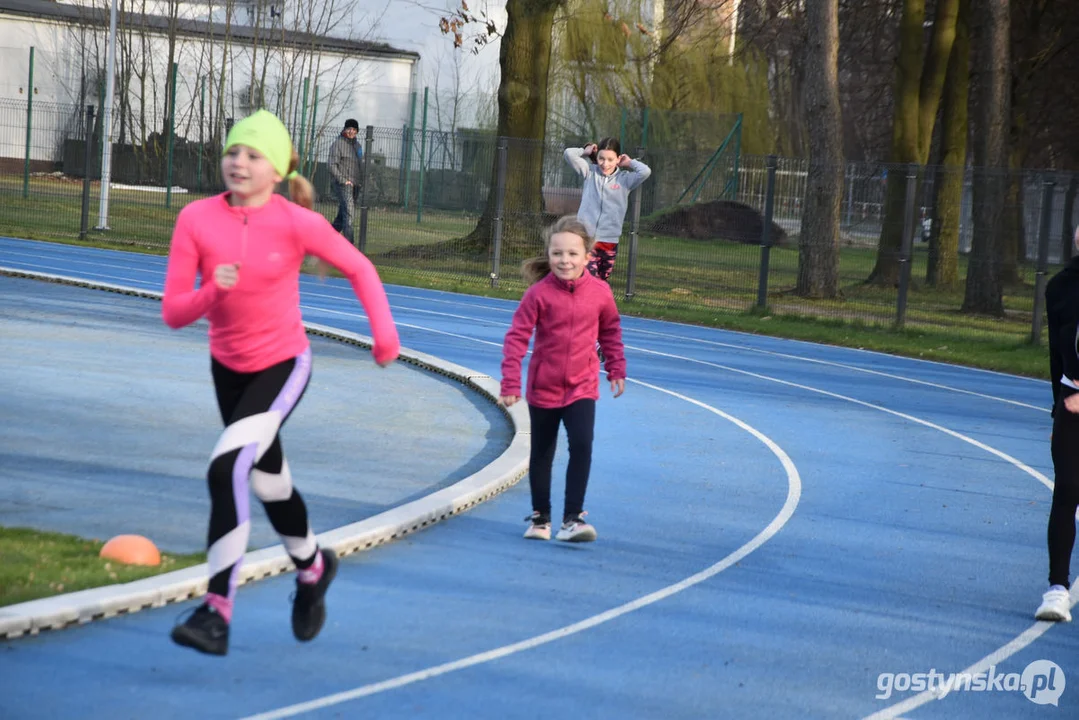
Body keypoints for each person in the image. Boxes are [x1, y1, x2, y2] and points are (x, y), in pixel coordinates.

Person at [161, 109, 400, 655]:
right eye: (232, 152)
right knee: (269, 484)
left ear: (276, 171)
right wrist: (211, 294)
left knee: (227, 469)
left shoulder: (296, 221)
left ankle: (216, 611)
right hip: (228, 369)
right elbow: (174, 311)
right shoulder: (196, 219)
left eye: (253, 155)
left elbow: (361, 269)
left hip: (283, 364)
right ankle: (314, 568)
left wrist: (384, 337)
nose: (238, 163)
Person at [500, 216, 627, 543]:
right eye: (557, 254)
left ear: (588, 257)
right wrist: (510, 382)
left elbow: (610, 332)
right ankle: (540, 517)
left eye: (572, 254)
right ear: (549, 255)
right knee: (542, 452)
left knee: (582, 445)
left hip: (582, 385)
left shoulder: (600, 293)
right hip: (544, 386)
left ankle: (573, 518)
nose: (564, 260)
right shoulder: (538, 295)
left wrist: (616, 368)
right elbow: (516, 338)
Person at [1036, 225, 1079, 623]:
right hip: (1071, 404)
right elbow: (1058, 355)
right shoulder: (1061, 288)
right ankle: (1057, 589)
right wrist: (1057, 405)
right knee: (1067, 488)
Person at [563, 137, 651, 283]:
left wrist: (630, 162)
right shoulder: (589, 173)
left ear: (618, 159)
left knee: (600, 284)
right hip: (587, 240)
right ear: (597, 158)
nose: (605, 164)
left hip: (610, 242)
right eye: (601, 158)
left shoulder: (625, 180)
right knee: (587, 280)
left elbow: (645, 171)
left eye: (610, 159)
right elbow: (568, 154)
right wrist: (585, 151)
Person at [328, 118, 364, 244]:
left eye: (354, 129)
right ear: (344, 129)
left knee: (342, 217)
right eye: (349, 129)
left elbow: (360, 165)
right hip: (343, 185)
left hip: (355, 186)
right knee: (349, 215)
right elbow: (332, 165)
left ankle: (324, 241)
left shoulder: (358, 146)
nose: (351, 131)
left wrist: (359, 182)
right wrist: (343, 180)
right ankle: (350, 247)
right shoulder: (338, 144)